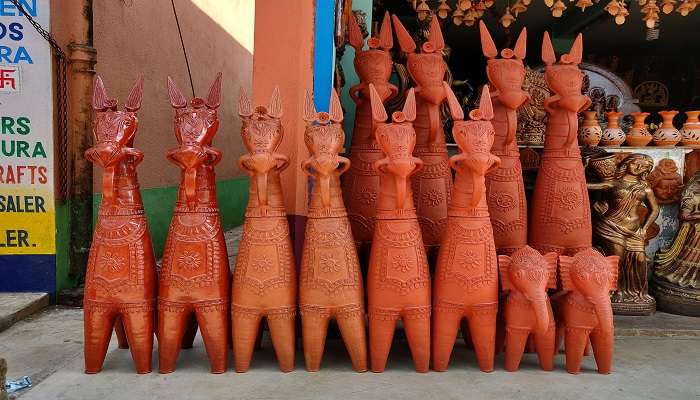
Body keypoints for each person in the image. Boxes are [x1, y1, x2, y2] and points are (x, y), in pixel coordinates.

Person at [588, 153, 659, 308]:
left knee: (640, 260)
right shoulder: (614, 182)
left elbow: (654, 210)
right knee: (617, 259)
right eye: (636, 163)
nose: (639, 168)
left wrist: (644, 229)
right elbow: (587, 186)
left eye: (644, 166)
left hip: (634, 230)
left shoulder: (644, 187)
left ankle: (637, 293)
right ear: (627, 163)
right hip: (611, 226)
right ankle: (615, 291)